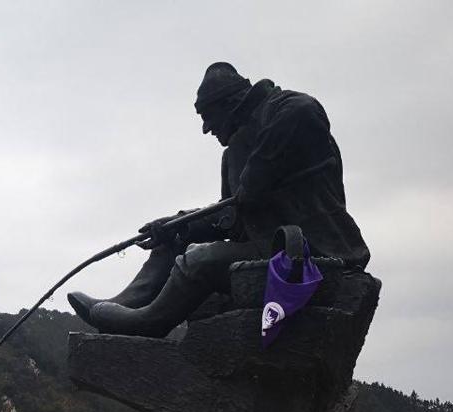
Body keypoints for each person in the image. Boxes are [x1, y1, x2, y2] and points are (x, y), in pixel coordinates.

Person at [67, 62, 370, 337]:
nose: (206, 129)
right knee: (175, 241)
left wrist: (258, 171)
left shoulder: (284, 109)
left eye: (207, 117)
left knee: (200, 259)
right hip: (262, 245)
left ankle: (150, 322)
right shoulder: (234, 153)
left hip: (306, 251)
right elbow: (233, 219)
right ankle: (123, 305)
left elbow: (305, 110)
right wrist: (177, 224)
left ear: (230, 104)